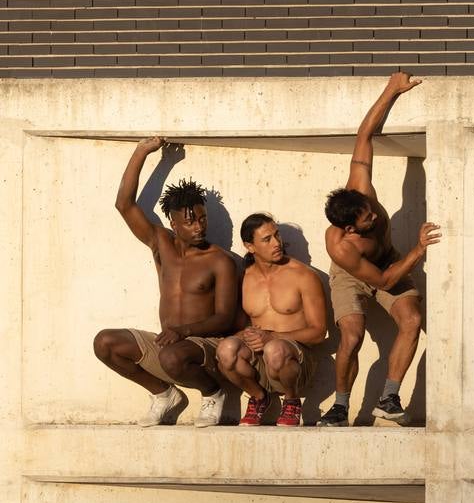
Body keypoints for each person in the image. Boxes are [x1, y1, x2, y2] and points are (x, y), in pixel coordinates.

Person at [320, 72, 441, 426]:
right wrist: (418, 251)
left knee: (412, 320)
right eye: (367, 220)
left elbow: (364, 134)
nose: (374, 216)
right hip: (354, 274)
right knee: (353, 334)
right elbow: (385, 282)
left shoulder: (359, 188)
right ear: (348, 228)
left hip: (387, 261)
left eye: (371, 210)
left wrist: (392, 90)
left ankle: (388, 398)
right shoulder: (342, 248)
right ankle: (340, 407)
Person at [92, 137, 238, 426]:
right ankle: (163, 394)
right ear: (173, 224)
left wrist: (183, 331)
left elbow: (225, 318)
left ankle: (213, 393)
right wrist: (142, 151)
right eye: (190, 221)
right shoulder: (161, 244)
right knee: (105, 342)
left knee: (172, 356)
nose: (199, 226)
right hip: (169, 343)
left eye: (202, 218)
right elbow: (124, 204)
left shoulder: (219, 260)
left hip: (203, 344)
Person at [216, 214, 328, 427]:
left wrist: (272, 337)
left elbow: (319, 332)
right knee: (226, 349)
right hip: (261, 361)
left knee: (275, 349)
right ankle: (258, 397)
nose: (277, 243)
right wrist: (246, 335)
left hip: (296, 361)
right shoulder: (245, 278)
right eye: (267, 239)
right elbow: (239, 326)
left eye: (277, 235)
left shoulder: (304, 276)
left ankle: (292, 400)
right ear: (250, 246)